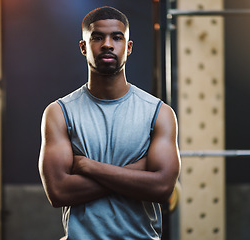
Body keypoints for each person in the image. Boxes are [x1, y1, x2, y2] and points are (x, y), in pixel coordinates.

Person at [38, 6, 180, 240]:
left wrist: (87, 166)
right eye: (97, 37)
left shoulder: (159, 113)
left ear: (129, 47)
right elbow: (59, 192)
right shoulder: (59, 113)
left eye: (117, 37)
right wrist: (138, 172)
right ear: (84, 47)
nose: (107, 44)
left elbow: (163, 189)